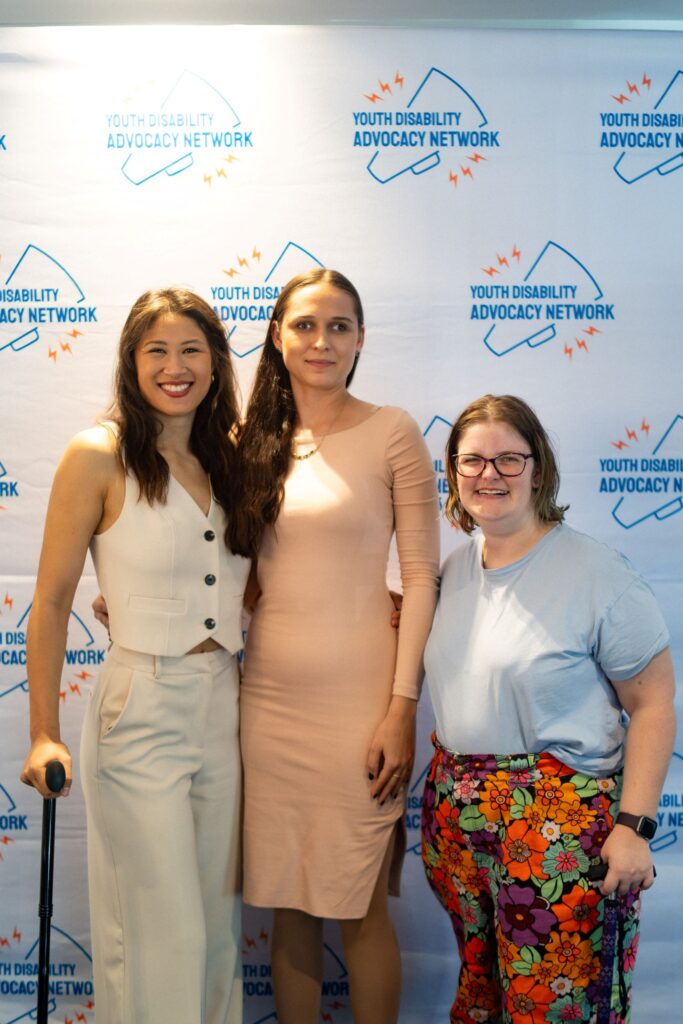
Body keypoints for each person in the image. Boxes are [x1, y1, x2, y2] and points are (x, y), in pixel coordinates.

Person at [20, 288, 251, 1024]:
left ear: (215, 362)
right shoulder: (98, 454)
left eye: (191, 351)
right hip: (140, 707)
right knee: (161, 933)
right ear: (131, 361)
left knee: (217, 928)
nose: (175, 367)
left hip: (224, 703)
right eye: (157, 351)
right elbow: (51, 602)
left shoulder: (231, 453)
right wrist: (43, 732)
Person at [421, 394, 676, 1024]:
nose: (489, 474)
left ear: (539, 470)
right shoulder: (454, 570)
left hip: (560, 831)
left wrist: (634, 827)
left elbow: (653, 703)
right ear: (453, 472)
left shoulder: (596, 573)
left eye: (509, 458)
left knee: (557, 1008)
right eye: (472, 460)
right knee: (482, 1002)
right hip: (460, 824)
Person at [233, 268, 440, 1024]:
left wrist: (400, 709)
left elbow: (420, 578)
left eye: (339, 326)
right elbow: (224, 571)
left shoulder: (392, 430)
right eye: (305, 325)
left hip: (362, 707)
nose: (321, 341)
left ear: (360, 339)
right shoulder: (244, 443)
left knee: (359, 907)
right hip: (267, 705)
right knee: (287, 905)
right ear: (277, 336)